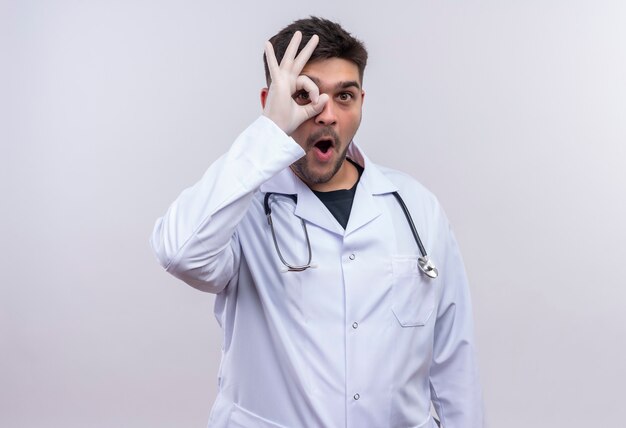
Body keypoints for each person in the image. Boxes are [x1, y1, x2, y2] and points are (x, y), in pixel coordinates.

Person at [151, 16, 483, 428]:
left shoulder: (416, 207)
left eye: (344, 96)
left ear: (362, 101)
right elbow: (180, 252)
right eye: (305, 95)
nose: (326, 115)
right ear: (271, 104)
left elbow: (455, 363)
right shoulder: (241, 207)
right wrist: (269, 131)